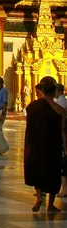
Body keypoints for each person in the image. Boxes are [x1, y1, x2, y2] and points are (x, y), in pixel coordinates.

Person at [24, 76, 66, 212]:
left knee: (38, 169)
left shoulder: (32, 107)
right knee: (53, 172)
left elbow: (29, 127)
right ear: (54, 92)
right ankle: (51, 204)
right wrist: (65, 147)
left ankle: (39, 197)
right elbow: (63, 131)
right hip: (53, 144)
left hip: (37, 144)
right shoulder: (60, 110)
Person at [55, 84, 67, 198]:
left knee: (63, 163)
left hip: (62, 134)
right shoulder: (59, 100)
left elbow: (61, 120)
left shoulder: (62, 102)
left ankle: (65, 188)